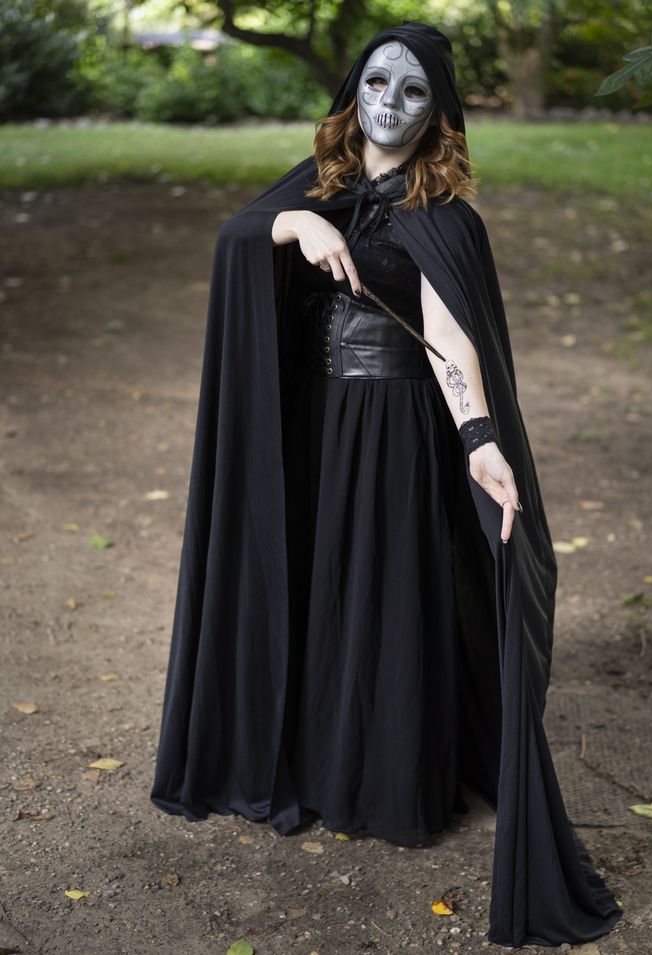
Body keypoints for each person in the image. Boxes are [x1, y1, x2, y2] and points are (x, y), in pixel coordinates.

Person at [150, 21, 624, 948]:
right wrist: (293, 221)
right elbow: (242, 234)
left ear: (439, 113)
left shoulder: (442, 216)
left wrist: (482, 440)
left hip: (398, 427)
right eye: (377, 83)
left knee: (386, 597)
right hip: (320, 426)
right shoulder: (316, 184)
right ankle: (313, 761)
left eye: (414, 93)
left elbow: (452, 338)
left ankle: (381, 777)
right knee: (324, 591)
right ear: (351, 92)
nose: (391, 105)